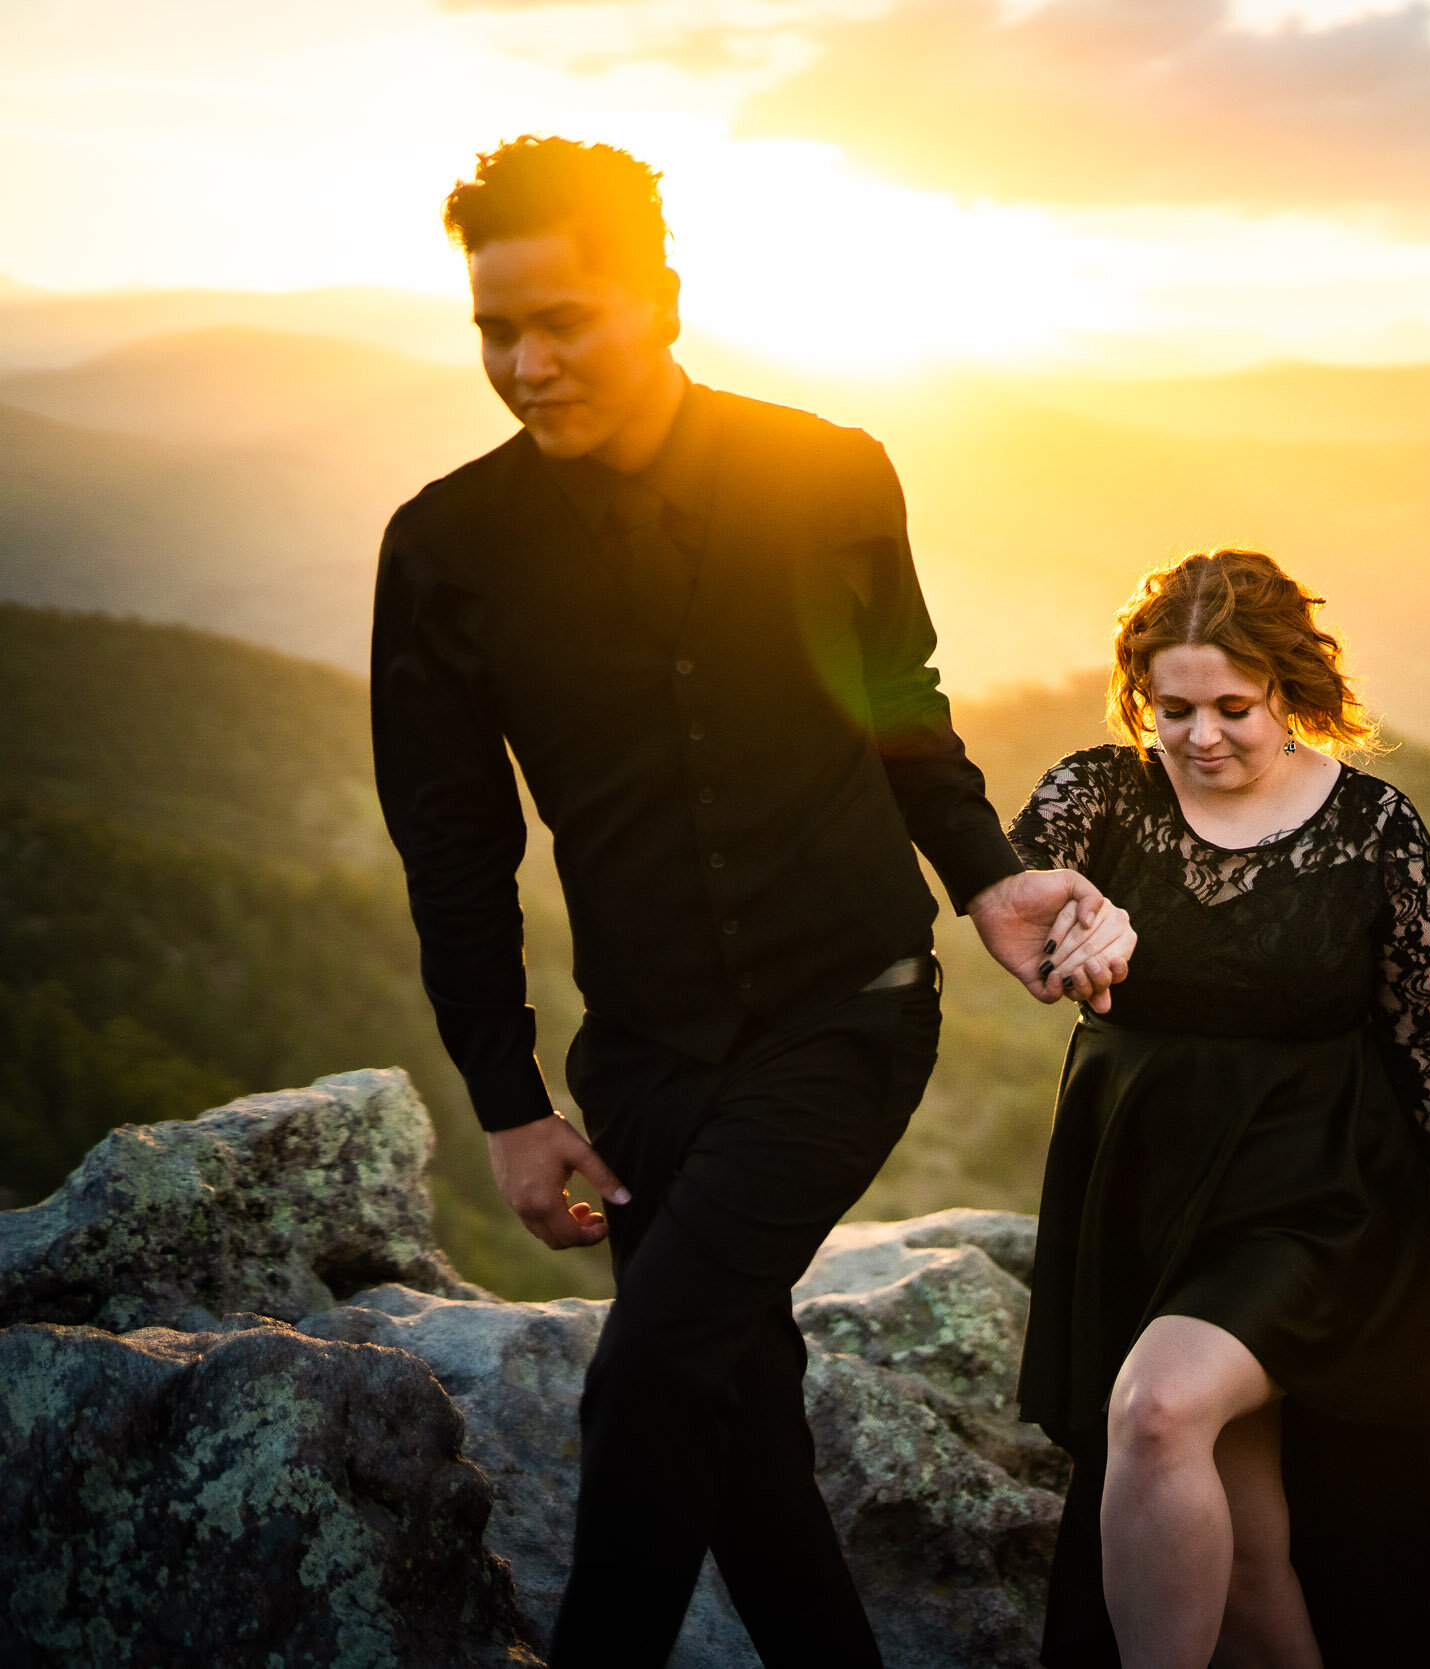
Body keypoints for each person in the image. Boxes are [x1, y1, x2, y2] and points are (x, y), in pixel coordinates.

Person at [369, 135, 1134, 1669]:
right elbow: (452, 847)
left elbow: (900, 706)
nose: (522, 364)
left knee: (650, 1373)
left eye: (558, 323)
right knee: (741, 1423)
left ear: (657, 298)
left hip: (845, 1013)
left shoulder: (828, 470)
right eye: (490, 332)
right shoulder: (444, 548)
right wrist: (512, 1102)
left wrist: (984, 878)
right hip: (640, 1059)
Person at [1008, 549, 1430, 1669]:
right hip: (1144, 1199)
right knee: (1245, 1551)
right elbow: (1023, 888)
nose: (1199, 736)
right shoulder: (1099, 792)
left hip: (1316, 1200)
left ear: (1288, 688)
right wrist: (1067, 927)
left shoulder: (1374, 831)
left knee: (1154, 1412)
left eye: (1231, 707)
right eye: (1172, 706)